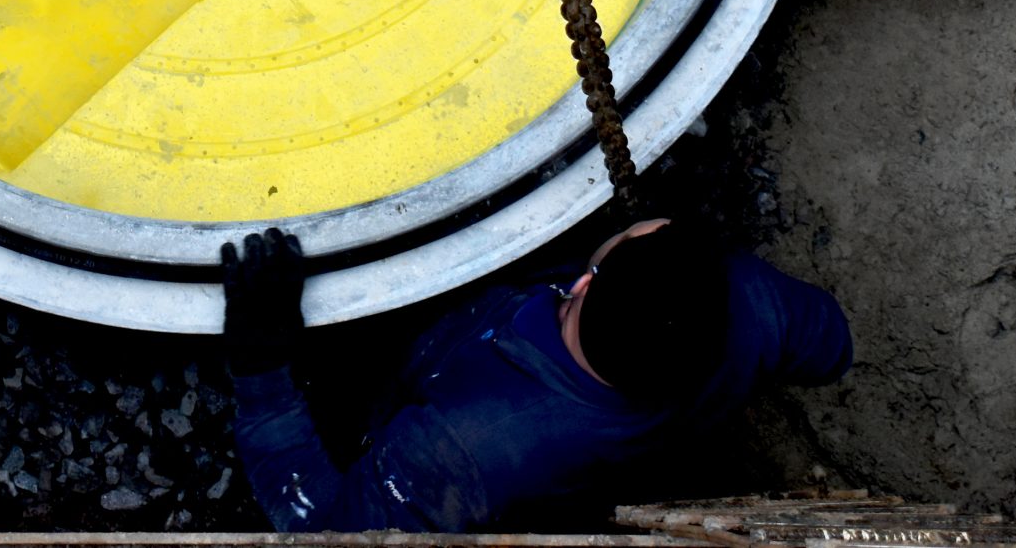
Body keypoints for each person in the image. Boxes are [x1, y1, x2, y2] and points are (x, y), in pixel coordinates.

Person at [220, 218, 853, 532]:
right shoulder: (757, 307)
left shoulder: (460, 449)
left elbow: (325, 530)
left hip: (470, 447)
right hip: (630, 458)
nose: (658, 221)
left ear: (582, 285)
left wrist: (261, 373)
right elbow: (833, 347)